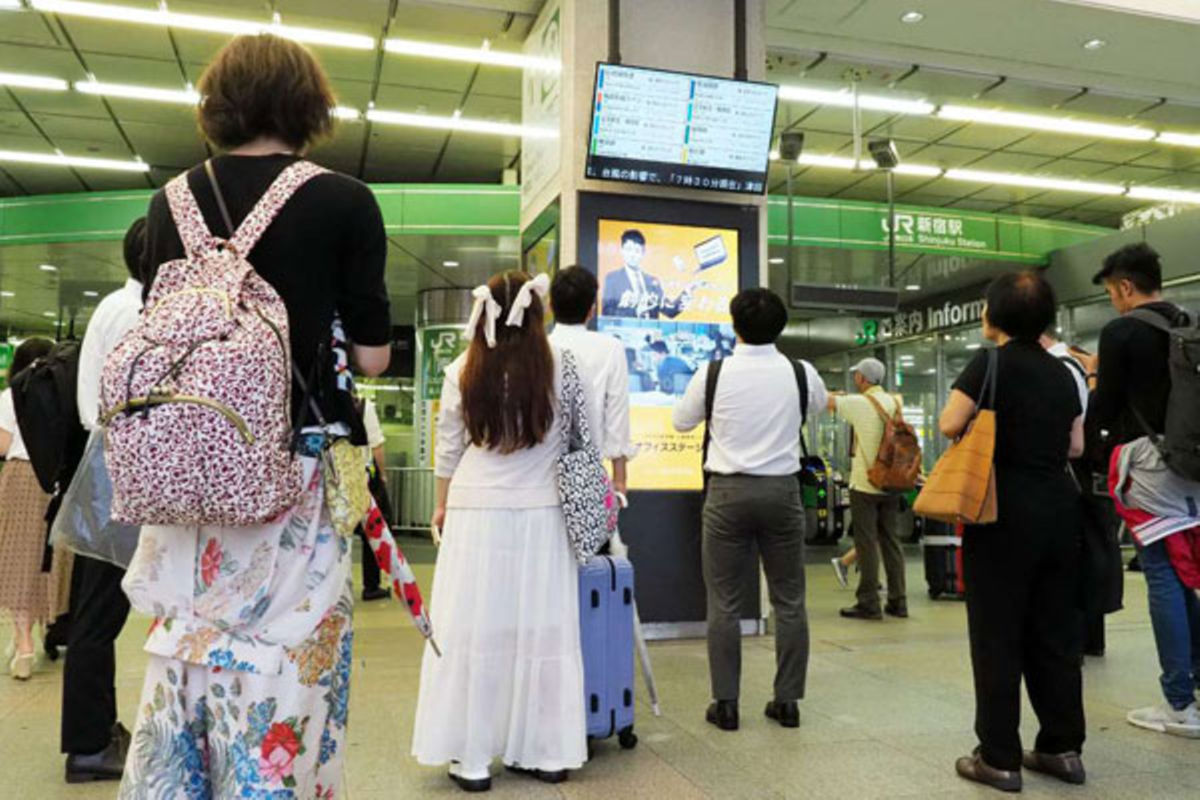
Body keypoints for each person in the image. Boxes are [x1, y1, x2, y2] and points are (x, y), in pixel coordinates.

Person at [119, 33, 390, 798]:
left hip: (184, 478)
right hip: (291, 479)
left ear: (218, 105)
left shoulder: (168, 201)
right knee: (286, 670)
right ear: (309, 105)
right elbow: (370, 359)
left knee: (185, 662)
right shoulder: (343, 200)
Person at [413, 271, 586, 792]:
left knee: (472, 630)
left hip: (474, 510)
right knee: (543, 628)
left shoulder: (461, 369)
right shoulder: (561, 367)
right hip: (542, 510)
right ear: (538, 313)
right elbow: (582, 436)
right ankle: (545, 752)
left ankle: (471, 760)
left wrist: (441, 507)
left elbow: (448, 448)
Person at [941, 272, 1086, 792]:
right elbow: (1074, 446)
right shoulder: (1063, 372)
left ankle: (998, 756)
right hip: (1058, 513)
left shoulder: (991, 362)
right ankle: (1062, 749)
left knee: (997, 634)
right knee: (1055, 634)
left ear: (995, 315)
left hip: (999, 513)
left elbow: (949, 422)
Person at [673, 288, 827, 732]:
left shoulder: (714, 373)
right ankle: (788, 701)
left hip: (727, 494)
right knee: (790, 600)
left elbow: (681, 421)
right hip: (782, 493)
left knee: (723, 601)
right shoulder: (801, 372)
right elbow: (815, 407)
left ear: (734, 324)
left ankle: (725, 704)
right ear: (780, 327)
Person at [1080, 243, 1200, 737]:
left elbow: (1104, 410)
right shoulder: (1187, 322)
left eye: (1112, 291)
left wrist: (1091, 378)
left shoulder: (1123, 330)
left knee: (1162, 573)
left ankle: (1178, 702)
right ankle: (1189, 688)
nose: (1113, 301)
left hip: (1152, 465)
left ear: (1126, 286)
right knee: (1186, 572)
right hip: (1192, 462)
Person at [60, 217, 146, 783]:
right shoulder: (135, 312)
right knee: (98, 613)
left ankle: (98, 730)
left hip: (107, 467)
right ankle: (89, 746)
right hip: (119, 470)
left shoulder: (120, 304)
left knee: (98, 609)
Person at [1041, 328, 1122, 660]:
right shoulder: (1075, 366)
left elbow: (1076, 434)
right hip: (1095, 476)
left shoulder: (1062, 367)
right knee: (1093, 545)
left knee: (1080, 551)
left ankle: (1080, 635)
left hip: (1077, 476)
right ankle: (1091, 636)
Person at [0, 338, 73, 682]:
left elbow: (2, 444)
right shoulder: (63, 396)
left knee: (16, 559)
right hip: (57, 482)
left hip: (22, 478)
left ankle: (23, 642)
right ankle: (50, 629)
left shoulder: (11, 395)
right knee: (50, 561)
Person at [827, 358, 908, 620]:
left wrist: (836, 395)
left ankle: (869, 603)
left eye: (856, 376)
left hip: (866, 484)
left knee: (866, 543)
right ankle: (898, 601)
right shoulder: (896, 401)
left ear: (862, 378)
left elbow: (826, 401)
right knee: (891, 541)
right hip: (893, 482)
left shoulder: (858, 403)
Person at [548, 265, 637, 495]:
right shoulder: (610, 348)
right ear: (591, 309)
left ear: (550, 306)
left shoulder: (538, 349)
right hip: (586, 476)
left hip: (539, 473)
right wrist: (620, 479)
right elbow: (617, 416)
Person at [601, 229, 694, 319]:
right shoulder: (612, 278)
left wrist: (687, 291)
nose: (632, 255)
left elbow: (670, 311)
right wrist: (635, 312)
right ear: (622, 250)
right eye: (629, 249)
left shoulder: (652, 281)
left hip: (652, 333)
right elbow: (607, 312)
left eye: (637, 250)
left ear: (643, 252)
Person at [357, 398, 389, 601]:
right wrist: (383, 475)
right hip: (363, 479)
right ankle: (371, 585)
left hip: (331, 479)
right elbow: (376, 446)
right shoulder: (363, 406)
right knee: (372, 533)